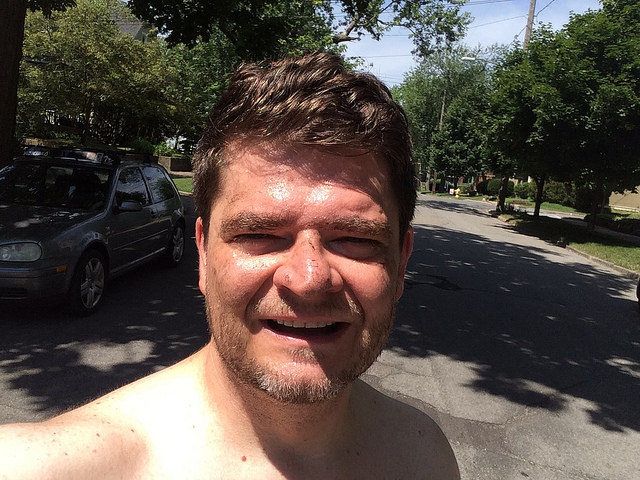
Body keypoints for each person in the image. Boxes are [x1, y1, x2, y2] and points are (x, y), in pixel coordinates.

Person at [0, 52, 459, 479]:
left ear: (401, 263)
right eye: (258, 235)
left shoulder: (426, 457)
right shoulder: (46, 466)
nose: (308, 279)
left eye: (356, 240)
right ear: (202, 253)